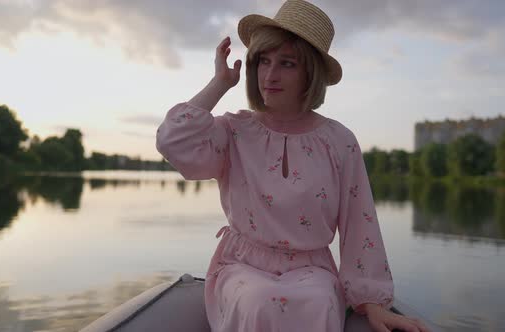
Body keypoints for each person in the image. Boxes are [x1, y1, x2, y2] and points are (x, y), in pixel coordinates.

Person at [156, 0, 429, 331]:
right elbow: (173, 141)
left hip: (312, 269)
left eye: (287, 64)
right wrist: (219, 83)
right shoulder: (234, 131)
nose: (270, 75)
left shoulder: (339, 141)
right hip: (242, 265)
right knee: (257, 300)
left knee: (319, 302)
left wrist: (371, 300)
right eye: (263, 61)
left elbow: (360, 222)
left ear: (309, 74)